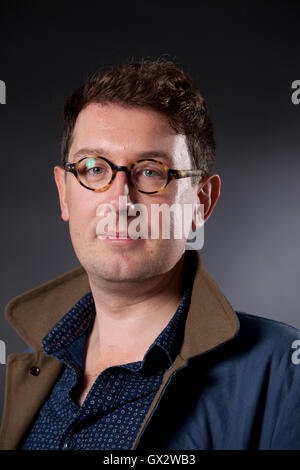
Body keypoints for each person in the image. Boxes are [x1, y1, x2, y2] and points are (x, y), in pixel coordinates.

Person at [1, 58, 300, 451]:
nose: (120, 201)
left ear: (201, 203)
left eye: (151, 171)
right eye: (93, 168)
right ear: (64, 193)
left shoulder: (282, 374)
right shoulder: (30, 365)